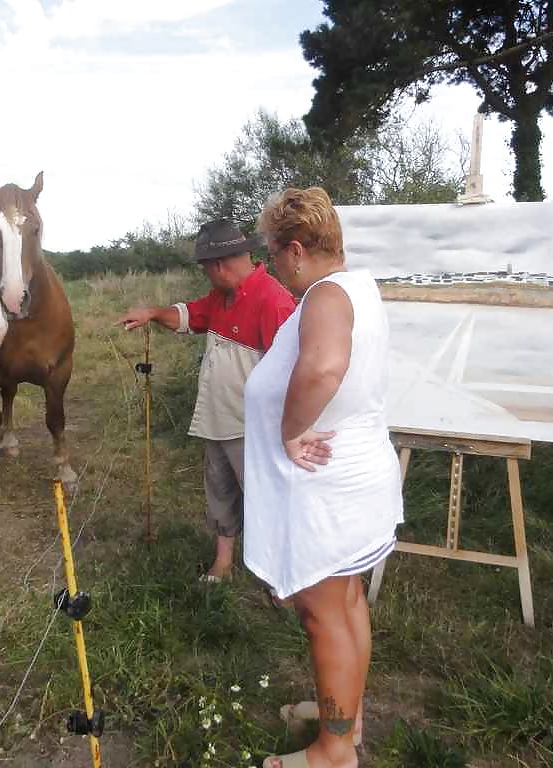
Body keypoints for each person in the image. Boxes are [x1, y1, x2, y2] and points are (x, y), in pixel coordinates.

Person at [242, 187, 403, 768]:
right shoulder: (354, 286)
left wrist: (289, 429)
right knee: (348, 601)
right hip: (351, 480)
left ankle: (333, 751)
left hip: (327, 489)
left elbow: (325, 367)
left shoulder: (326, 297)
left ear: (294, 249)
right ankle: (347, 716)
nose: (270, 266)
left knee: (323, 613)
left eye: (271, 253)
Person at [117, 219, 295, 581]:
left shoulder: (272, 300)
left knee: (267, 500)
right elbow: (187, 315)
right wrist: (153, 313)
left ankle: (282, 577)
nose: (206, 276)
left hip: (254, 428)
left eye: (205, 268)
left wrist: (284, 429)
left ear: (218, 266)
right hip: (218, 418)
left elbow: (292, 371)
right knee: (220, 490)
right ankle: (224, 563)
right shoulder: (220, 297)